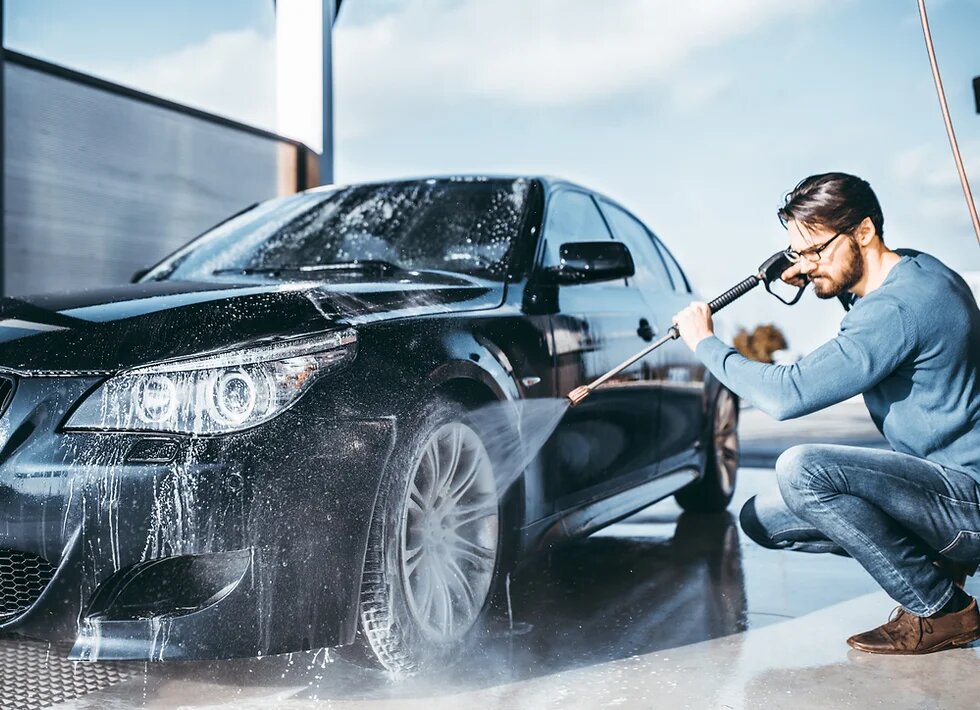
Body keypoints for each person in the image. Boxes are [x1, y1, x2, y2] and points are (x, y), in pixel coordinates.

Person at [672, 172, 980, 655]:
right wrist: (825, 274)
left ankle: (941, 608)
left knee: (803, 472)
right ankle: (935, 562)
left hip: (967, 503)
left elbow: (787, 395)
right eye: (798, 252)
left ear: (863, 232)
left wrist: (706, 344)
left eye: (815, 250)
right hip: (942, 488)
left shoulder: (899, 309)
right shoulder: (917, 270)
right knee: (760, 518)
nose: (806, 264)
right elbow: (874, 311)